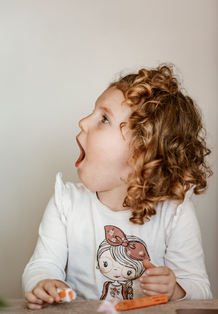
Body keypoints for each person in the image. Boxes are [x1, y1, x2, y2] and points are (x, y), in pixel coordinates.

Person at [22, 63, 213, 310]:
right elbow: (41, 266)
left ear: (139, 156)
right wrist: (44, 283)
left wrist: (176, 289)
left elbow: (201, 288)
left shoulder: (174, 213)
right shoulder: (66, 202)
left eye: (103, 118)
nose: (82, 122)